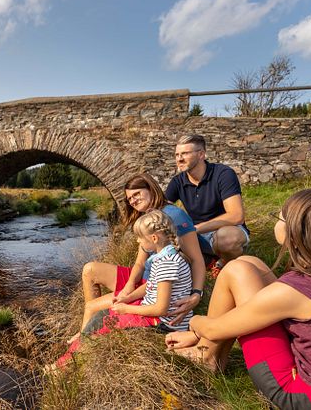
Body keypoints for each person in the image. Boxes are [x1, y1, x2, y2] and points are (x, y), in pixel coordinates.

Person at [166, 188, 311, 409]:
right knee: (250, 264)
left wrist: (195, 324)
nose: (277, 221)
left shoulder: (299, 290)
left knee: (235, 270)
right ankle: (208, 352)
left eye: (280, 217)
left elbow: (215, 329)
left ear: (297, 235)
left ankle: (206, 356)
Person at [57, 209, 193, 367]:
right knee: (100, 315)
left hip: (163, 325)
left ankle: (65, 365)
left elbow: (161, 309)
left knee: (100, 328)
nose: (137, 242)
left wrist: (127, 309)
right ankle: (72, 355)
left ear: (154, 238)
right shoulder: (165, 257)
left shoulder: (166, 263)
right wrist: (128, 298)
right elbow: (151, 285)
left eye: (140, 238)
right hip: (153, 315)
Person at [81, 174, 206, 328]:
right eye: (129, 198)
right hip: (145, 281)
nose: (133, 201)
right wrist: (129, 285)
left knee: (92, 307)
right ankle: (87, 328)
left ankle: (85, 336)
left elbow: (196, 259)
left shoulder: (175, 215)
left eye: (136, 194)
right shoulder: (146, 216)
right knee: (90, 269)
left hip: (155, 285)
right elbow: (140, 263)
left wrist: (196, 294)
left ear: (151, 188)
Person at [165, 135, 249, 266]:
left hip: (226, 229)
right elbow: (162, 210)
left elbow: (236, 216)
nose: (179, 159)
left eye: (185, 154)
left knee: (227, 239)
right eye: (177, 155)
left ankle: (226, 262)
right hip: (196, 235)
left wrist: (193, 229)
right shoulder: (177, 181)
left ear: (201, 155)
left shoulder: (223, 174)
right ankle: (209, 261)